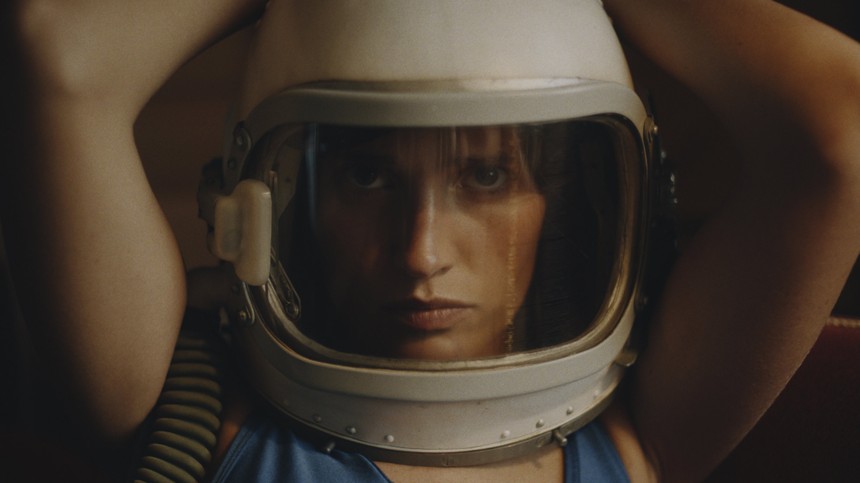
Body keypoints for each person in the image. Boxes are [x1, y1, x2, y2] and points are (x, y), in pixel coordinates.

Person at [2, 1, 859, 482]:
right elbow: (59, 49)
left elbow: (842, 129)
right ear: (256, 203)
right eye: (366, 174)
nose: (421, 252)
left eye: (486, 176)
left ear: (559, 207)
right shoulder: (186, 413)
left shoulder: (642, 430)